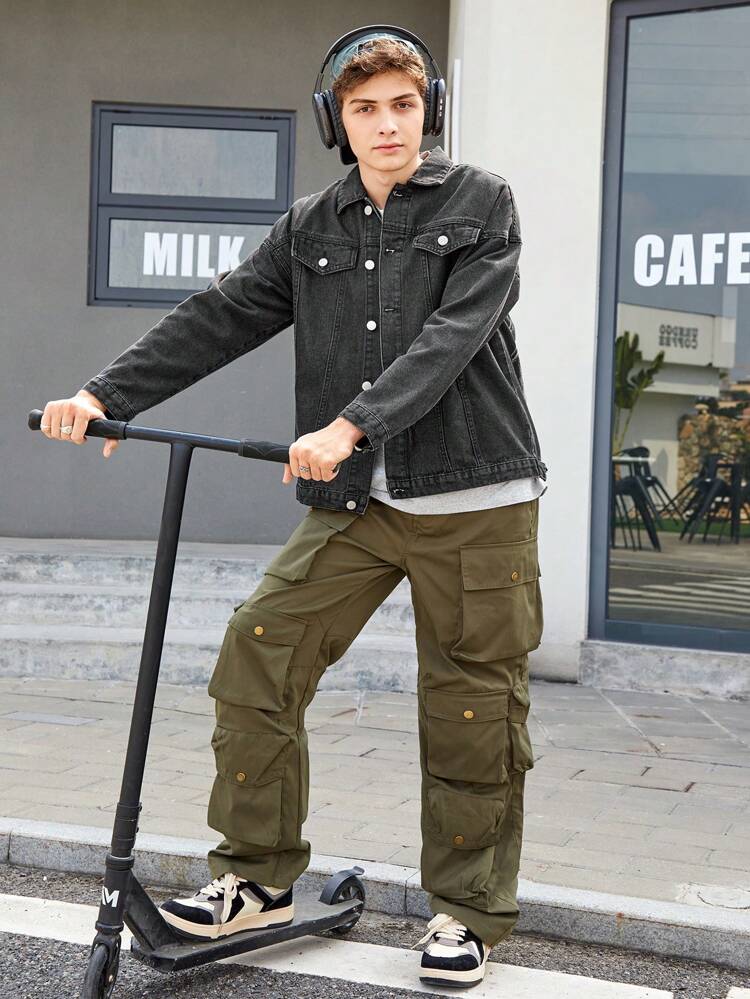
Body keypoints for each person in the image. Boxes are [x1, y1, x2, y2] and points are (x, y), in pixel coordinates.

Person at [41, 26, 547, 990]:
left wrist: (351, 424)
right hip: (358, 500)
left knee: (472, 706)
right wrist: (106, 395)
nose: (387, 125)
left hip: (475, 497)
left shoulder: (482, 202)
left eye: (403, 105)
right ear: (336, 122)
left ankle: (467, 910)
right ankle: (256, 875)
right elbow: (222, 312)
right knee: (258, 650)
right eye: (365, 109)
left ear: (429, 110)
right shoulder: (312, 225)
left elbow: (452, 337)